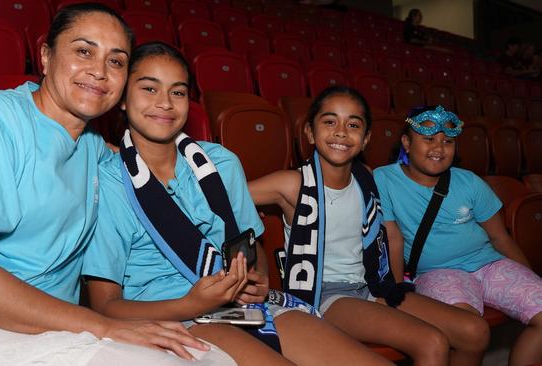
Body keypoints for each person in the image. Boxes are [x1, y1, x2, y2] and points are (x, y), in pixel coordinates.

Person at [0, 4, 223, 365]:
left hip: (46, 327)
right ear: (46, 57)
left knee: (205, 358)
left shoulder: (92, 148)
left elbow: (158, 182)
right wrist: (103, 326)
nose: (99, 71)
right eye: (84, 51)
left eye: (116, 61)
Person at [82, 42, 391, 366]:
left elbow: (250, 249)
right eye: (149, 88)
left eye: (178, 92)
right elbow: (105, 306)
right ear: (122, 97)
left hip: (240, 307)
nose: (164, 103)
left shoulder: (221, 163)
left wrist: (256, 279)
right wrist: (191, 303)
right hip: (172, 315)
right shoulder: (109, 183)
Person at [248, 87, 490, 366]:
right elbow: (222, 200)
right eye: (329, 122)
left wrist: (394, 283)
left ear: (365, 139)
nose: (341, 131)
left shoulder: (367, 177)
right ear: (310, 133)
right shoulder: (292, 184)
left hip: (373, 283)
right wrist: (254, 245)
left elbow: (389, 235)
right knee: (432, 341)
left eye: (353, 124)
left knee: (474, 331)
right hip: (324, 294)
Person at [374, 105, 542, 366]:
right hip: (438, 272)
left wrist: (529, 281)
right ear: (407, 143)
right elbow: (392, 239)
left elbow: (500, 238)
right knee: (469, 330)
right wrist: (399, 295)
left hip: (489, 264)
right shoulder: (383, 178)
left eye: (448, 141)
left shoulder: (469, 181)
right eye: (428, 139)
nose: (439, 148)